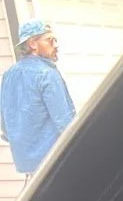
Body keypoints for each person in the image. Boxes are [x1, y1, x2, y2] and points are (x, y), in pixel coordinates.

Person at [1, 19, 75, 178]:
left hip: (28, 168)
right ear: (33, 44)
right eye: (50, 40)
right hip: (54, 164)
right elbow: (65, 123)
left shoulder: (8, 76)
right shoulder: (46, 74)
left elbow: (5, 126)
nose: (56, 45)